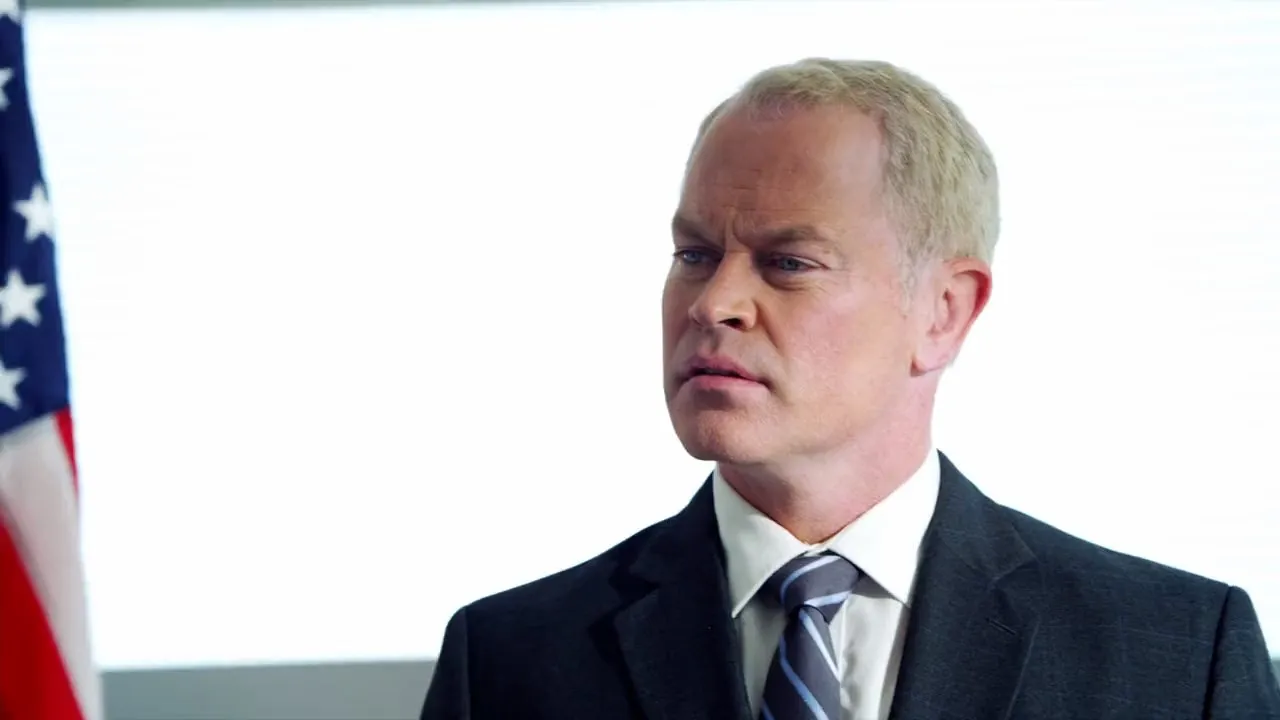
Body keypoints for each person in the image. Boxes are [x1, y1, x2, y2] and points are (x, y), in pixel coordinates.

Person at [421, 58, 1280, 719]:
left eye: (788, 263)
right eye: (694, 255)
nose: (714, 303)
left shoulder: (1177, 655)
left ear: (943, 312)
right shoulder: (505, 661)